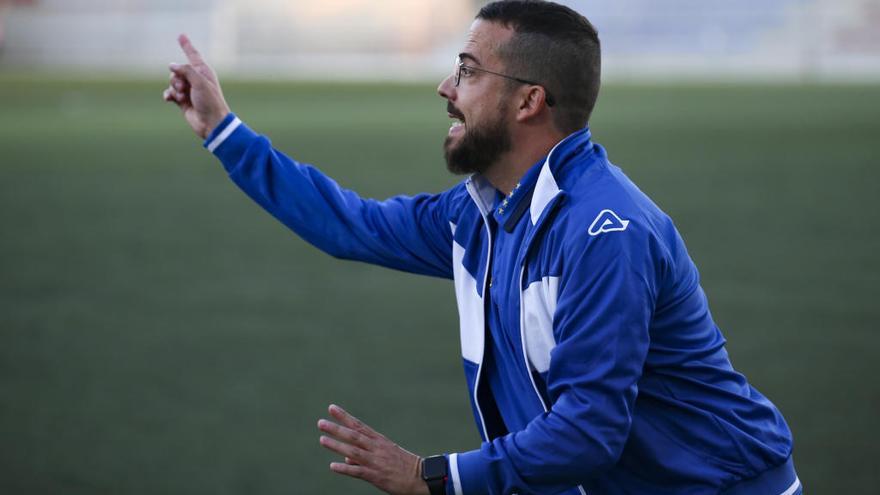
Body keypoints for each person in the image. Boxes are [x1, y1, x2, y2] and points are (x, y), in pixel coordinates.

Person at [163, 1, 800, 494]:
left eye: (468, 70)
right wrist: (224, 131)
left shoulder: (606, 232)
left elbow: (588, 431)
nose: (446, 86)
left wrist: (433, 477)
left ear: (529, 101)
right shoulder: (481, 212)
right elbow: (346, 225)